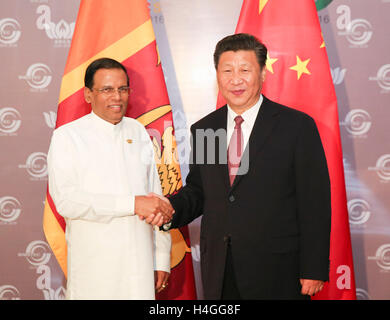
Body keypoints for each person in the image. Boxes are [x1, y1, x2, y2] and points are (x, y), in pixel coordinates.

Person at [160, 33, 331, 299]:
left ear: (262, 73)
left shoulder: (295, 127)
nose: (235, 79)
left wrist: (314, 267)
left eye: (245, 70)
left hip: (279, 270)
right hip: (221, 268)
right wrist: (169, 209)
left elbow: (314, 203)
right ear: (217, 74)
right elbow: (200, 191)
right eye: (227, 70)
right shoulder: (208, 129)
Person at [47, 58, 174, 300]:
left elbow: (156, 199)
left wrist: (161, 259)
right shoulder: (68, 137)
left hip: (140, 267)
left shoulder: (137, 131)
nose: (117, 97)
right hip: (95, 271)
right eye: (107, 89)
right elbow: (67, 201)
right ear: (87, 94)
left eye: (122, 89)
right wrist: (132, 204)